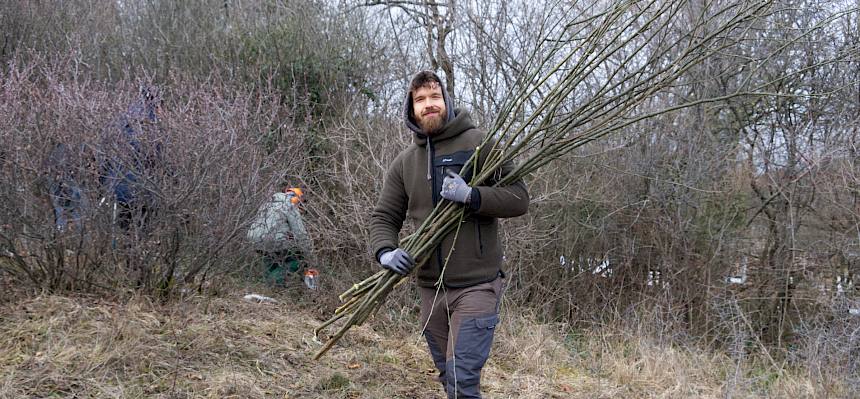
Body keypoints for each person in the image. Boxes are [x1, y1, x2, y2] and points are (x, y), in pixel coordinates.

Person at [370, 70, 529, 398]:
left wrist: (473, 196)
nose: (428, 105)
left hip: (477, 286)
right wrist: (385, 251)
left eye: (434, 97)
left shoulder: (479, 143)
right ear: (411, 110)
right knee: (449, 378)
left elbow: (519, 198)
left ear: (447, 102)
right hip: (431, 288)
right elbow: (384, 216)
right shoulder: (405, 163)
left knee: (461, 378)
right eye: (420, 100)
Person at [99, 86, 164, 233]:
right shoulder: (152, 124)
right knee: (142, 229)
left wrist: (103, 182)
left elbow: (105, 154)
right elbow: (157, 157)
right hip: (143, 188)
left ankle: (126, 252)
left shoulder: (121, 119)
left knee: (125, 226)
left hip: (117, 185)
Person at [247, 187, 314, 287]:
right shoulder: (290, 205)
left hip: (254, 239)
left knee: (270, 260)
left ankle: (267, 287)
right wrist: (309, 254)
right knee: (298, 260)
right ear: (297, 199)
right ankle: (274, 282)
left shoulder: (268, 203)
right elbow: (300, 233)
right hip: (273, 240)